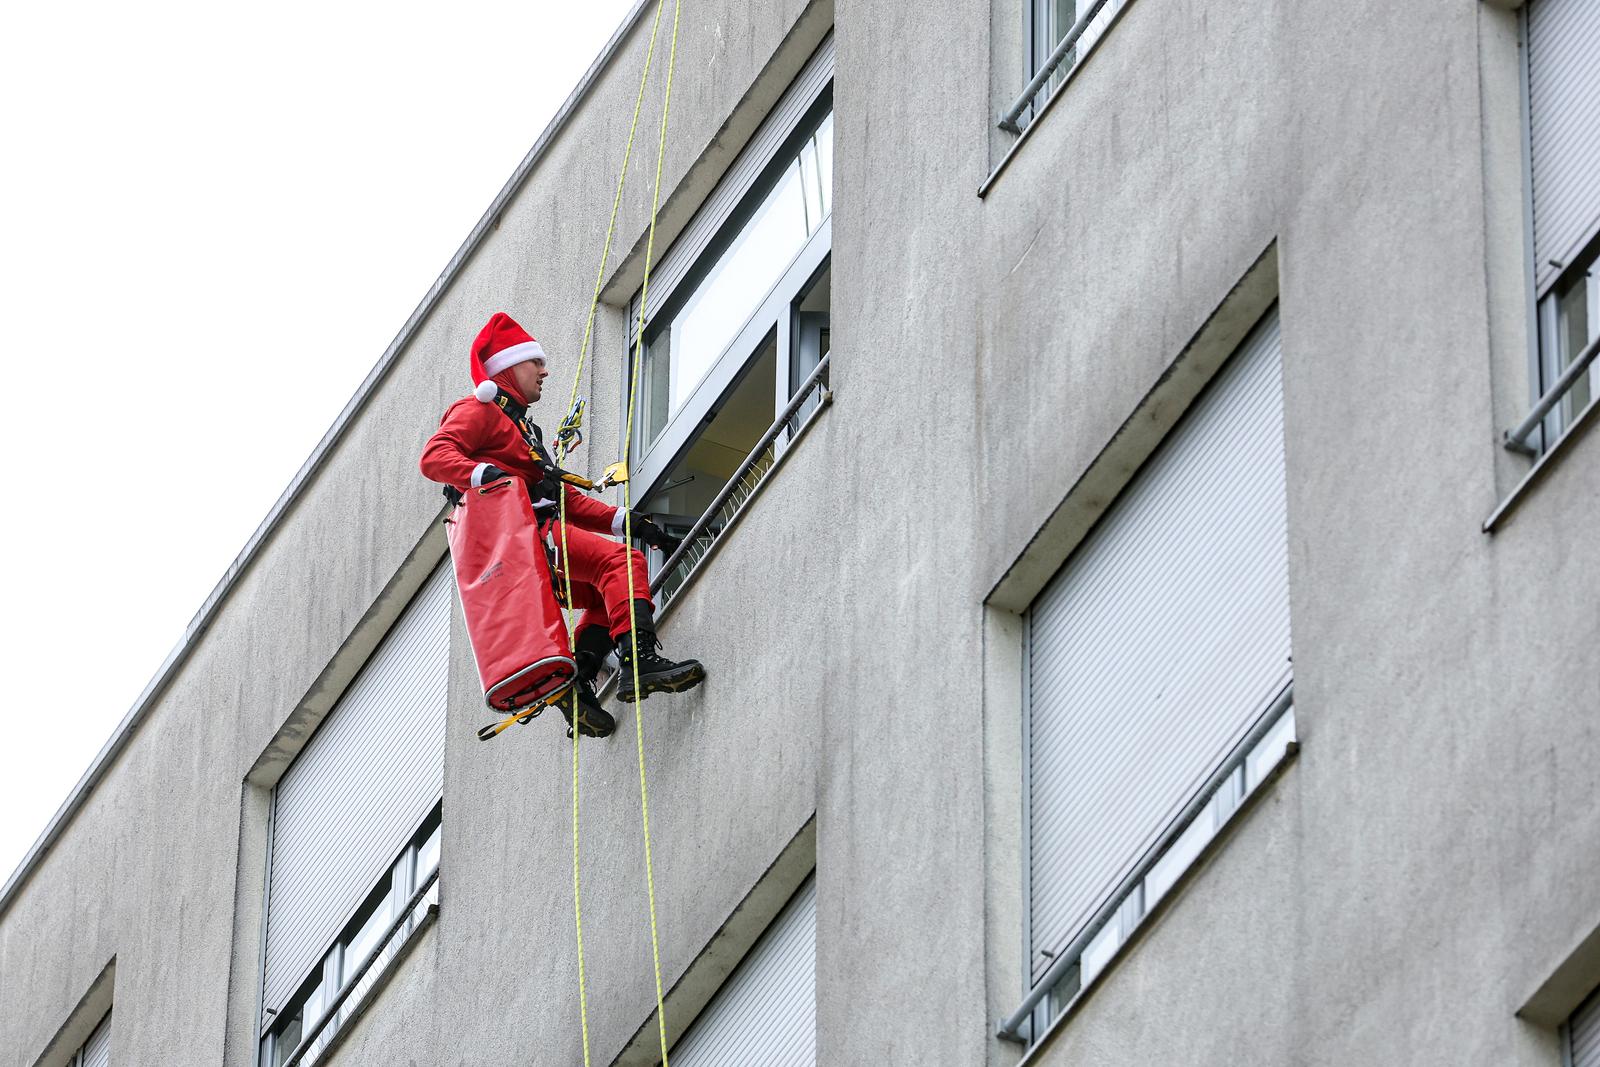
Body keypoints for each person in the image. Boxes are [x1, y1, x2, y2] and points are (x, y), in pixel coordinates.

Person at [420, 312, 705, 738]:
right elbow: (435, 458)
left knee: (601, 598)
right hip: (530, 539)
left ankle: (580, 685)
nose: (544, 370)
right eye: (534, 361)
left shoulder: (522, 428)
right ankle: (640, 662)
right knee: (621, 564)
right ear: (507, 367)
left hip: (538, 546)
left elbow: (561, 498)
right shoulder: (478, 409)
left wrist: (628, 521)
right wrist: (484, 477)